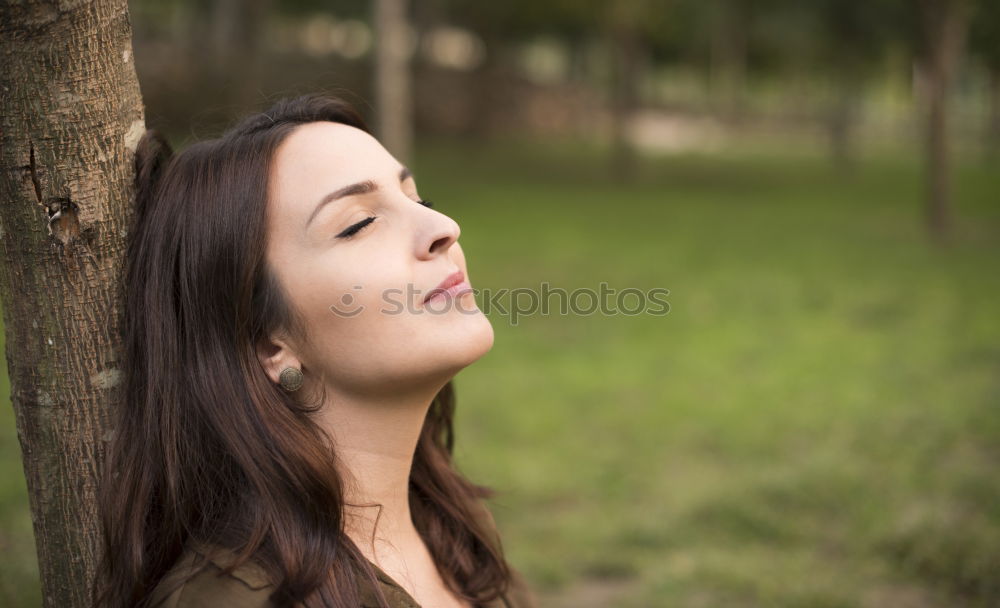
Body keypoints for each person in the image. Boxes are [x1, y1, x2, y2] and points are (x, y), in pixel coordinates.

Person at [92, 94, 537, 608]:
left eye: (420, 201)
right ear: (267, 342)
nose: (444, 228)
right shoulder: (236, 601)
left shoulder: (449, 528)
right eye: (358, 224)